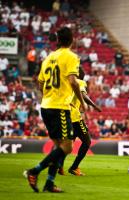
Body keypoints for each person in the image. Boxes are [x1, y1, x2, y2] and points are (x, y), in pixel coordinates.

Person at [23, 27, 86, 193]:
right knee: (67, 147)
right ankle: (34, 171)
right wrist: (81, 101)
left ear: (57, 40)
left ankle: (49, 183)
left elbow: (40, 82)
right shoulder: (72, 57)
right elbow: (73, 81)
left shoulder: (48, 58)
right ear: (71, 40)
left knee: (58, 147)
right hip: (60, 107)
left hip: (46, 106)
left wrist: (48, 95)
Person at [58, 67, 101, 176]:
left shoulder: (67, 84)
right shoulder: (80, 82)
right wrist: (94, 105)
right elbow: (83, 94)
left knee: (69, 143)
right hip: (74, 117)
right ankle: (74, 167)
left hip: (66, 114)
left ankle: (60, 166)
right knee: (87, 142)